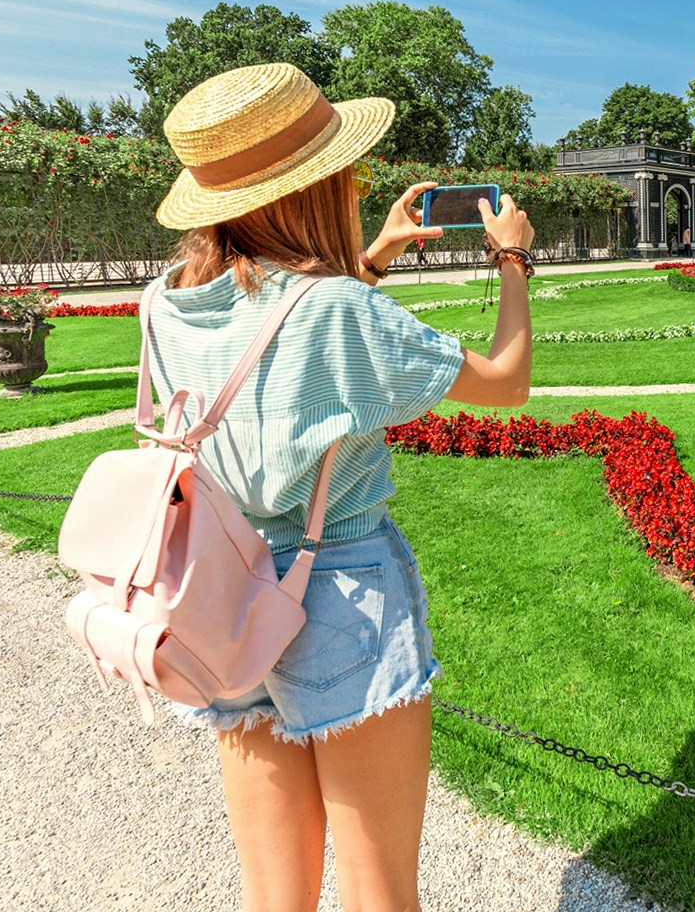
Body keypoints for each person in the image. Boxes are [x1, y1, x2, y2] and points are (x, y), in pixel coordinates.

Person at [144, 62, 533, 912]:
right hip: (339, 590)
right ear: (310, 186)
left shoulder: (165, 301)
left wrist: (377, 257)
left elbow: (277, 322)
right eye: (343, 167)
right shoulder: (337, 310)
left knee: (274, 895)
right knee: (378, 893)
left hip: (222, 586)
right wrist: (514, 260)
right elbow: (505, 380)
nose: (356, 179)